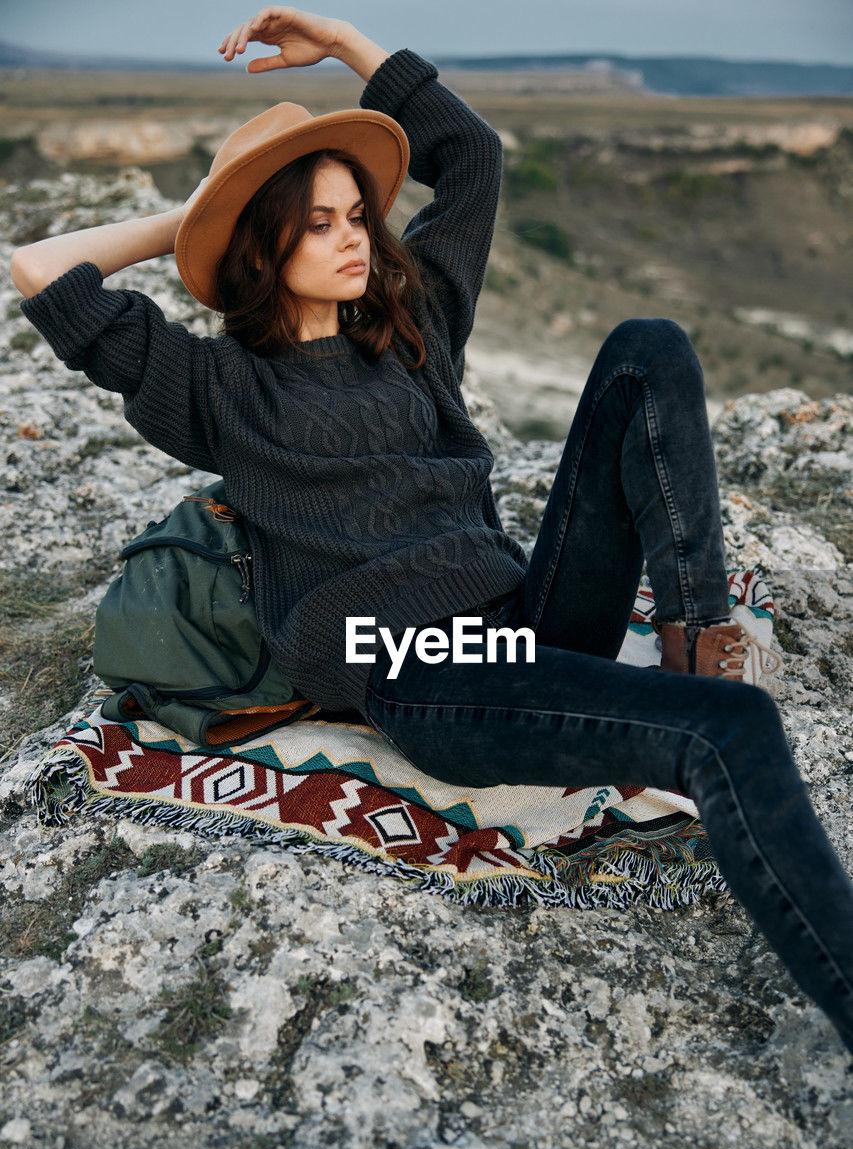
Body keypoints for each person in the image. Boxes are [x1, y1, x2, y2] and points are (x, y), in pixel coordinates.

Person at [10, 8, 853, 1056]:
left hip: (520, 623)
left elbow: (471, 159)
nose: (354, 234)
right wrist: (197, 217)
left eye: (355, 212)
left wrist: (352, 46)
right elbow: (42, 271)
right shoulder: (219, 387)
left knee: (648, 346)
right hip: (425, 668)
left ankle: (695, 631)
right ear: (261, 247)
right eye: (316, 221)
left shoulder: (409, 328)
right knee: (730, 731)